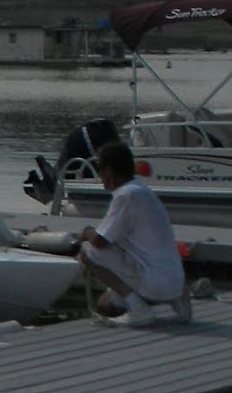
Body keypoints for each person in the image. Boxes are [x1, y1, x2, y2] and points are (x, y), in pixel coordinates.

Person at [76, 139, 190, 325]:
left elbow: (99, 241)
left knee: (87, 251)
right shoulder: (142, 190)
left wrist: (86, 231)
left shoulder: (125, 195)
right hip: (174, 282)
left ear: (109, 172)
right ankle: (178, 302)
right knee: (106, 304)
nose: (100, 177)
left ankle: (139, 309)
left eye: (100, 171)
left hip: (154, 283)